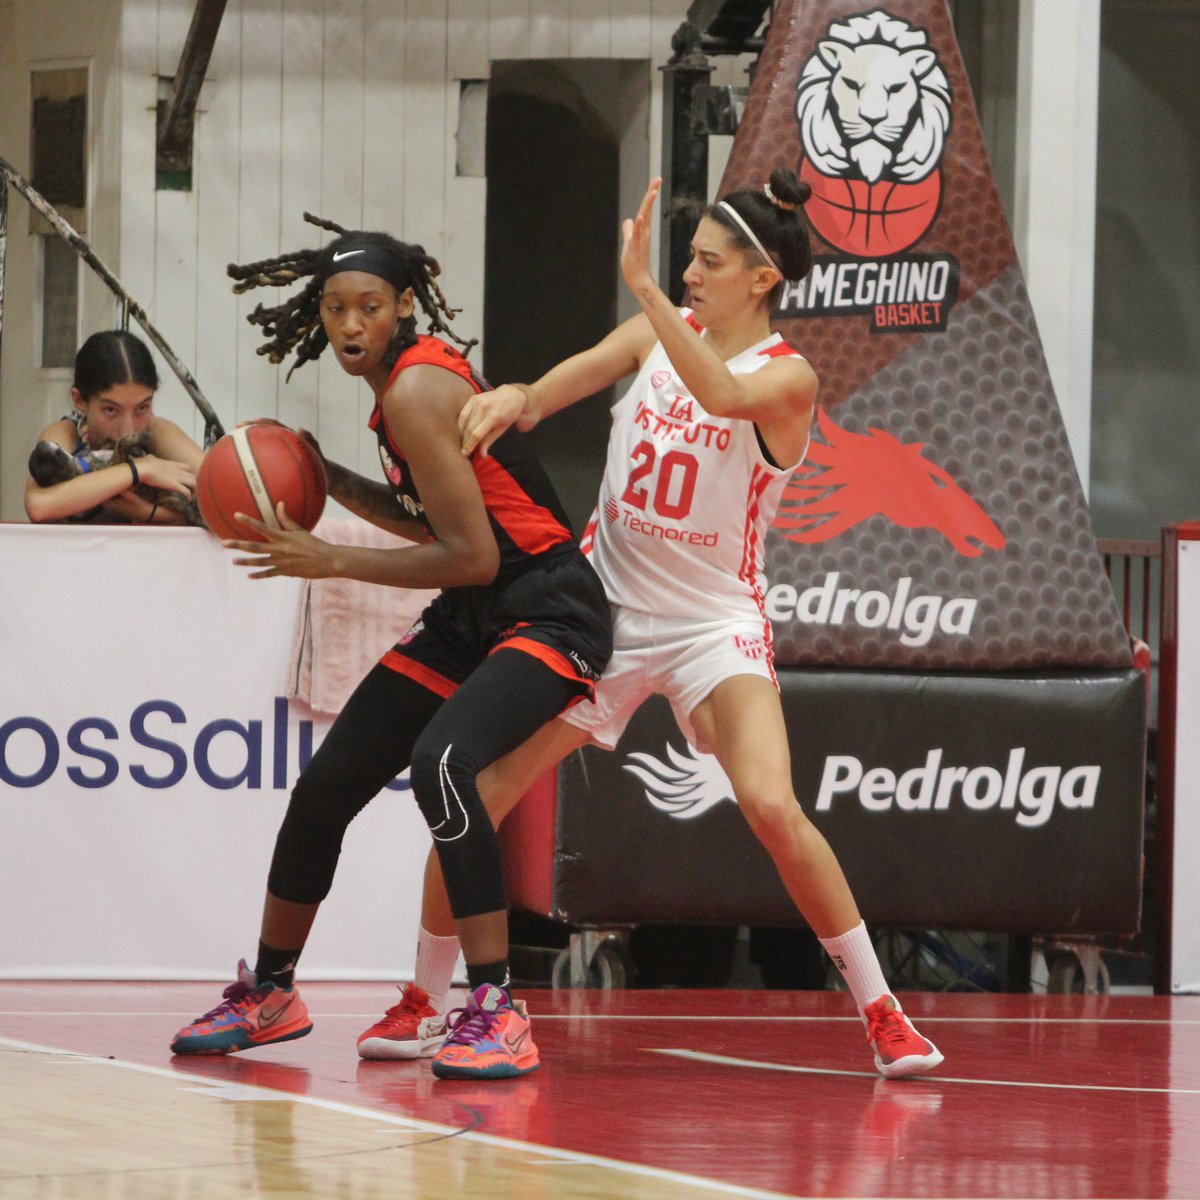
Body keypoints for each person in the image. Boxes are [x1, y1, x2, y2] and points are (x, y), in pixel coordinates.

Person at [387, 172, 943, 1079]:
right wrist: (514, 397)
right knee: (480, 790)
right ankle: (422, 998)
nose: (689, 275)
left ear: (761, 279)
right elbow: (576, 378)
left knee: (769, 802)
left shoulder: (788, 377)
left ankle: (882, 1010)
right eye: (685, 261)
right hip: (604, 611)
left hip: (710, 625)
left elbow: (720, 395)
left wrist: (643, 282)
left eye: (707, 263)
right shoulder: (657, 333)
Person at [168, 214, 612, 1081]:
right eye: (334, 309)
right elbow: (436, 527)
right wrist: (331, 480)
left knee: (444, 761)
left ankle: (493, 1006)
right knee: (327, 785)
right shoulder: (399, 394)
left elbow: (474, 554)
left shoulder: (415, 390)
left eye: (368, 305)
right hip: (476, 610)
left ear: (404, 306)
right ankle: (271, 991)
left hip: (548, 608)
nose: (348, 326)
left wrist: (327, 555)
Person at [24, 329, 201, 524]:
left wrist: (149, 512)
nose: (128, 430)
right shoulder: (67, 432)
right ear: (80, 400)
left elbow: (228, 491)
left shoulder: (156, 430)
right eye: (110, 410)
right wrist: (140, 470)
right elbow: (39, 506)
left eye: (142, 407)